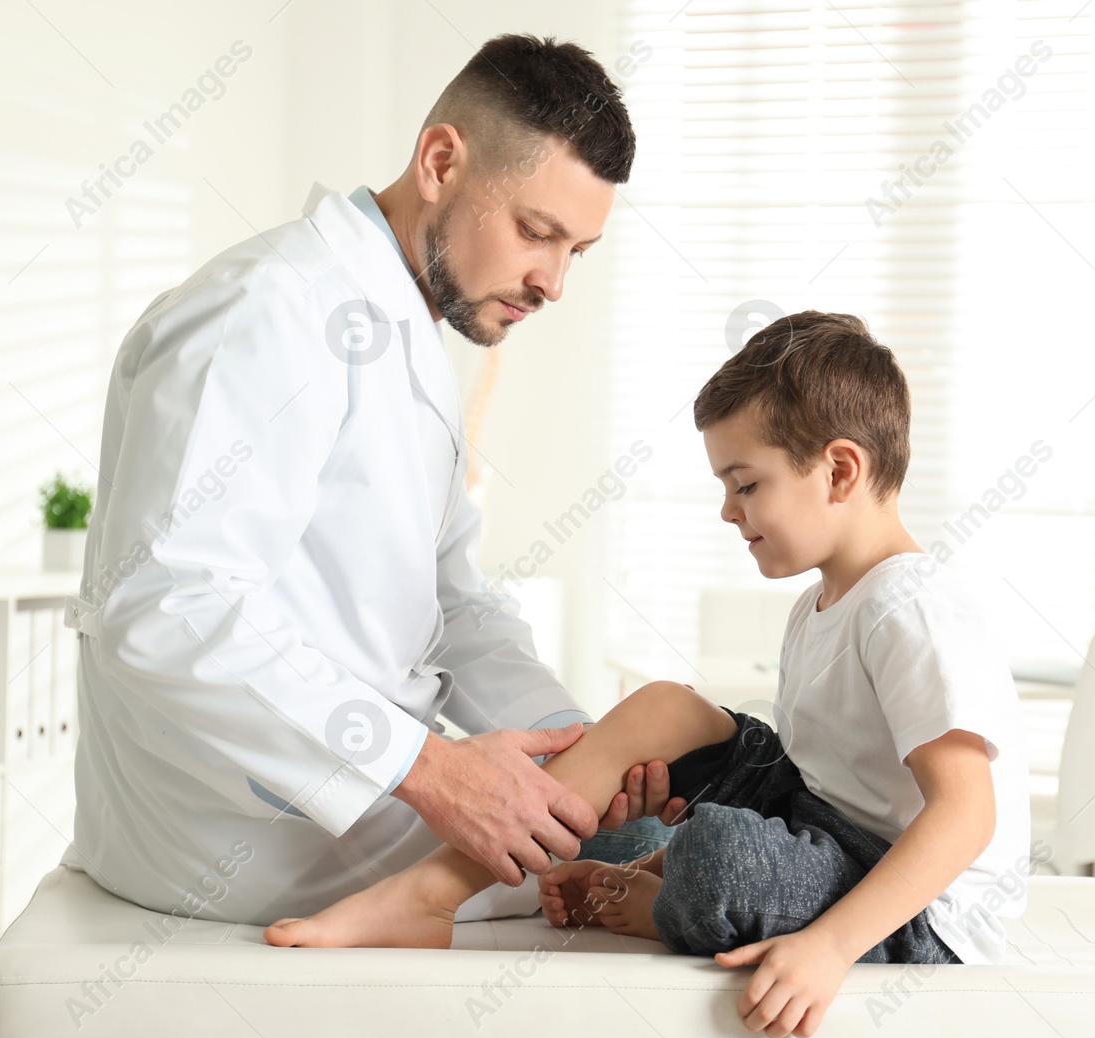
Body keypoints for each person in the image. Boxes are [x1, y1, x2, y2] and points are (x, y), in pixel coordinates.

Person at [263, 312, 1031, 1038]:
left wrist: (827, 948)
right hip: (824, 825)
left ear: (838, 469)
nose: (728, 511)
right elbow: (806, 786)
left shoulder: (909, 608)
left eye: (746, 483)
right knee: (665, 712)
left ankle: (663, 895)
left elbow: (966, 815)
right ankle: (431, 893)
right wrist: (642, 859)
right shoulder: (817, 607)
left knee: (713, 862)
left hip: (921, 912)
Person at [60, 34, 677, 928]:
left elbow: (455, 605)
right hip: (237, 830)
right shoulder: (268, 308)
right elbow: (161, 606)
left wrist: (581, 743)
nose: (553, 281)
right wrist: (431, 768)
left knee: (636, 830)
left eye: (577, 248)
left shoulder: (402, 329)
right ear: (439, 162)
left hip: (344, 792)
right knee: (673, 879)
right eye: (537, 232)